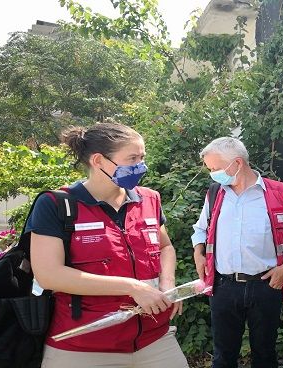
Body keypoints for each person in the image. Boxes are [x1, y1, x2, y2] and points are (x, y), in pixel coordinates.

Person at [28, 123, 188, 368]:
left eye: (142, 158)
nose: (140, 166)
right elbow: (49, 274)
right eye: (132, 158)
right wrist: (132, 287)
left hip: (154, 340)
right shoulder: (56, 205)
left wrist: (167, 282)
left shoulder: (149, 199)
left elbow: (165, 247)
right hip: (82, 347)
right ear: (98, 161)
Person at [191, 137, 283, 368]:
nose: (213, 174)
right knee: (223, 355)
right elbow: (200, 229)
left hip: (265, 286)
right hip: (223, 286)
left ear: (237, 163)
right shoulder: (215, 194)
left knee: (265, 353)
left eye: (215, 168)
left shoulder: (279, 193)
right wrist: (198, 251)